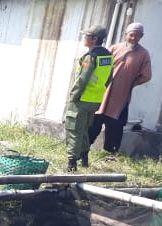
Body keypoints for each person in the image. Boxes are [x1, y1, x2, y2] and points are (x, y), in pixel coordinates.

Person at [88, 22, 152, 154]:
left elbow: (146, 76)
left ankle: (110, 153)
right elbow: (100, 66)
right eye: (131, 35)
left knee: (115, 125)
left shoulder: (143, 54)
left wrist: (131, 83)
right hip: (103, 93)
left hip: (121, 97)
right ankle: (84, 149)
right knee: (94, 121)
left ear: (142, 37)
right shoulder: (114, 48)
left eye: (137, 36)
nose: (134, 38)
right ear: (125, 35)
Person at [64, 24, 113, 172]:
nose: (84, 38)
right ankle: (84, 158)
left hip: (82, 99)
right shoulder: (108, 56)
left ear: (94, 39)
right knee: (84, 128)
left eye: (87, 36)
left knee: (73, 129)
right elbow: (109, 78)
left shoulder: (91, 57)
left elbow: (82, 79)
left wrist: (73, 97)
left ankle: (72, 164)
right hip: (95, 100)